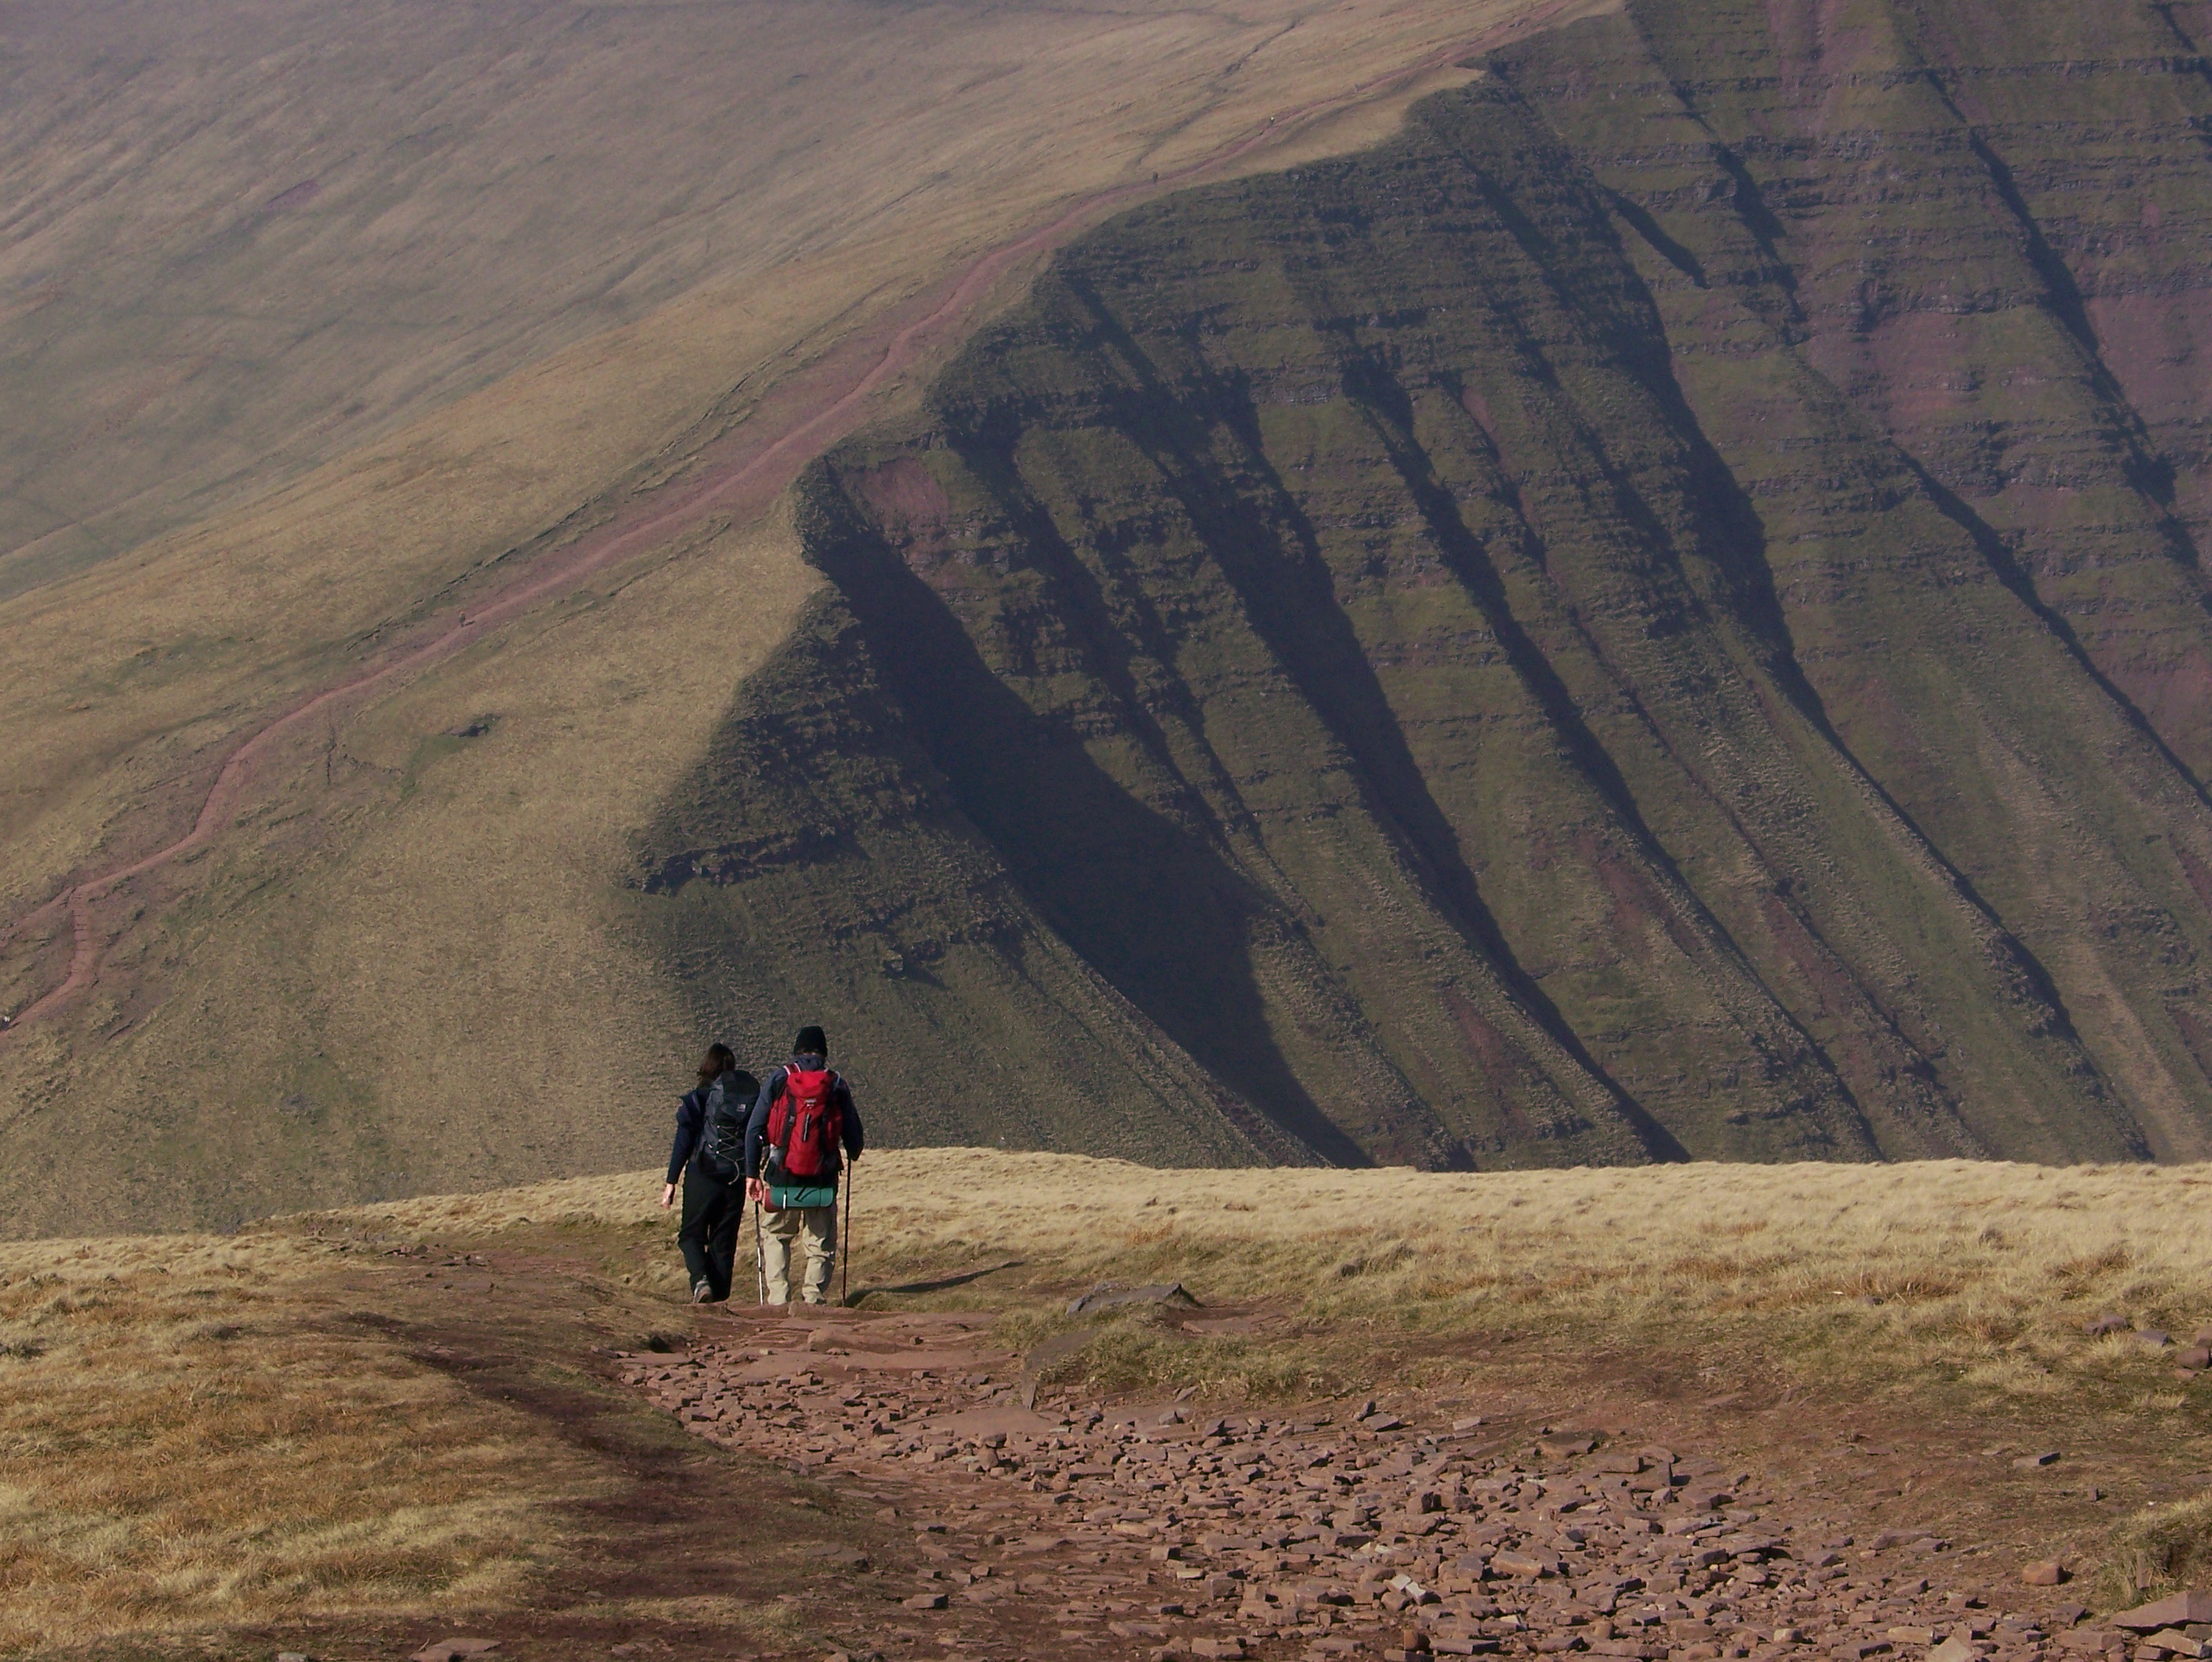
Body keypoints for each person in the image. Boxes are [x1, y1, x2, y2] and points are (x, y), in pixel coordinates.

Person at [744, 1025, 864, 1306]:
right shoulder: (835, 1084)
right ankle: (813, 1299)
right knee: (820, 1241)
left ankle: (778, 1299)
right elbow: (855, 1141)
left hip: (781, 1173)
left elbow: (754, 1129)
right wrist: (849, 1152)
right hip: (822, 1177)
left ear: (796, 1050)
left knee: (776, 1234)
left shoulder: (779, 1079)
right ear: (824, 1053)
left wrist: (752, 1174)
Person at [662, 1043, 758, 1303]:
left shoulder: (700, 1097)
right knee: (723, 1243)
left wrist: (671, 1181)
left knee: (691, 1234)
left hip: (702, 1176)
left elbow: (684, 1140)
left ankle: (701, 1281)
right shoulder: (747, 1102)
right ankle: (720, 1302)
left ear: (707, 1066)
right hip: (735, 1179)